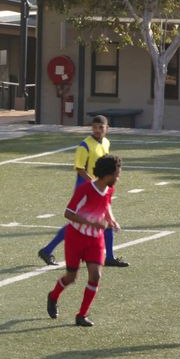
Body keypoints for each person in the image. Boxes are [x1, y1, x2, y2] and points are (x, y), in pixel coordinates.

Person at [37, 115, 129, 268]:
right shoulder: (84, 145)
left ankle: (110, 257)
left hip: (99, 187)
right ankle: (47, 250)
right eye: (94, 128)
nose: (97, 131)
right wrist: (93, 184)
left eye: (101, 128)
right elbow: (80, 168)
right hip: (86, 188)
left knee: (104, 221)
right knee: (76, 225)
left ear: (107, 128)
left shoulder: (106, 142)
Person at [46, 154, 124, 327]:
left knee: (95, 275)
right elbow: (68, 213)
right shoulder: (85, 190)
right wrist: (91, 222)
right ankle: (53, 296)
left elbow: (106, 206)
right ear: (106, 174)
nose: (118, 178)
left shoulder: (110, 189)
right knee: (71, 277)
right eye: (116, 175)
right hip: (76, 238)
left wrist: (111, 220)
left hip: (95, 240)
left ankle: (81, 315)